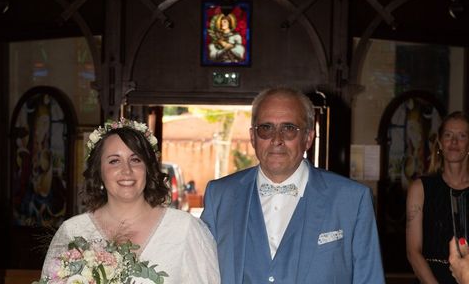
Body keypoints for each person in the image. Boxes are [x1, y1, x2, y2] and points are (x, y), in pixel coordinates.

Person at [201, 87, 385, 284]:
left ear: (308, 138)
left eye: (288, 129)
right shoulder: (220, 195)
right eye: (266, 128)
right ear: (253, 137)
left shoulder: (352, 200)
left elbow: (369, 278)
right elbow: (198, 272)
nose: (277, 140)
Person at [41, 118, 220, 283]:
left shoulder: (185, 230)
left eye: (135, 160)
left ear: (148, 169)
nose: (127, 171)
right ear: (99, 171)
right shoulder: (73, 232)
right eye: (114, 161)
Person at [406, 111, 469, 283]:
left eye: (462, 136)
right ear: (440, 143)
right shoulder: (420, 188)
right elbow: (413, 251)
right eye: (448, 135)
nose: (454, 142)